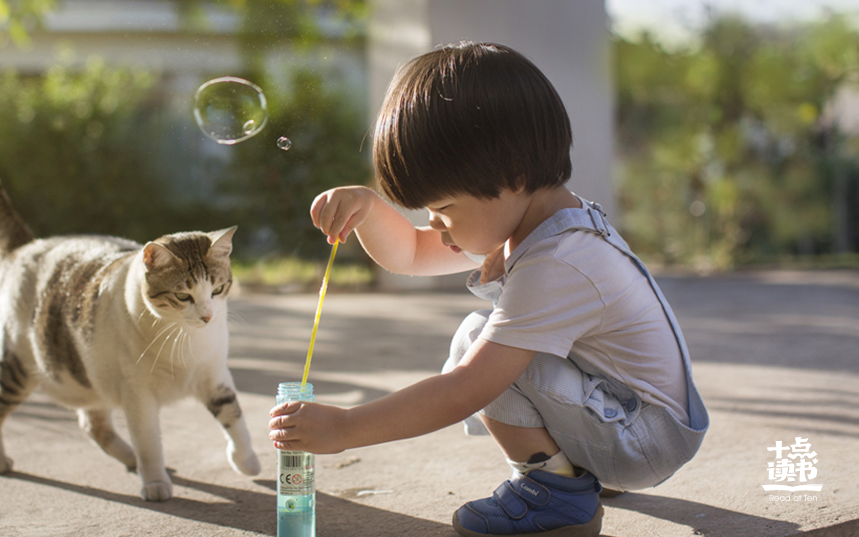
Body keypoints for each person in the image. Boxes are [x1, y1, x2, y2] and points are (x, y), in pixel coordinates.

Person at [268, 42, 708, 537]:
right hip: (636, 420)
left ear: (512, 176)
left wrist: (344, 429)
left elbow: (465, 390)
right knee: (485, 338)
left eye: (444, 209)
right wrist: (370, 209)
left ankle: (557, 495)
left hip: (644, 442)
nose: (435, 224)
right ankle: (577, 469)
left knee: (477, 344)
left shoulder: (559, 261)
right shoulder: (530, 218)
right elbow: (411, 253)